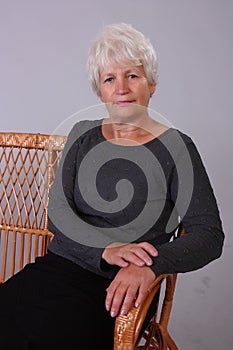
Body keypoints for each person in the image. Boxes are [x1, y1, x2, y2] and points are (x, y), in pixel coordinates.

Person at [0, 23, 224, 349]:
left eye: (132, 75)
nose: (121, 88)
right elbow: (58, 212)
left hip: (122, 289)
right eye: (109, 79)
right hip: (60, 268)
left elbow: (209, 235)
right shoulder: (83, 134)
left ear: (152, 83)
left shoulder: (177, 148)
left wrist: (150, 265)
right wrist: (106, 249)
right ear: (100, 91)